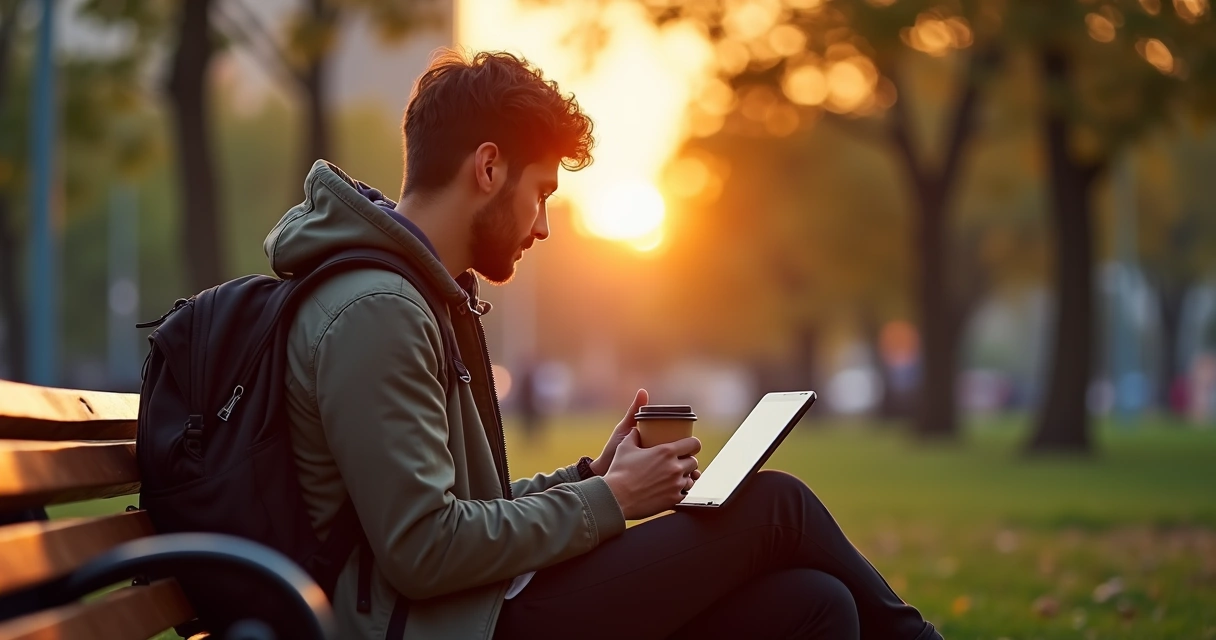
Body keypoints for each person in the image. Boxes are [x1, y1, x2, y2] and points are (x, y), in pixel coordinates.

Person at [271, 49, 943, 640]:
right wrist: (614, 500)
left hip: (475, 609)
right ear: (487, 168)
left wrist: (593, 476)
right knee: (775, 507)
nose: (543, 228)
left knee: (816, 607)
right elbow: (423, 550)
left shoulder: (411, 296)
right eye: (541, 194)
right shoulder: (378, 312)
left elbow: (462, 513)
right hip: (446, 626)